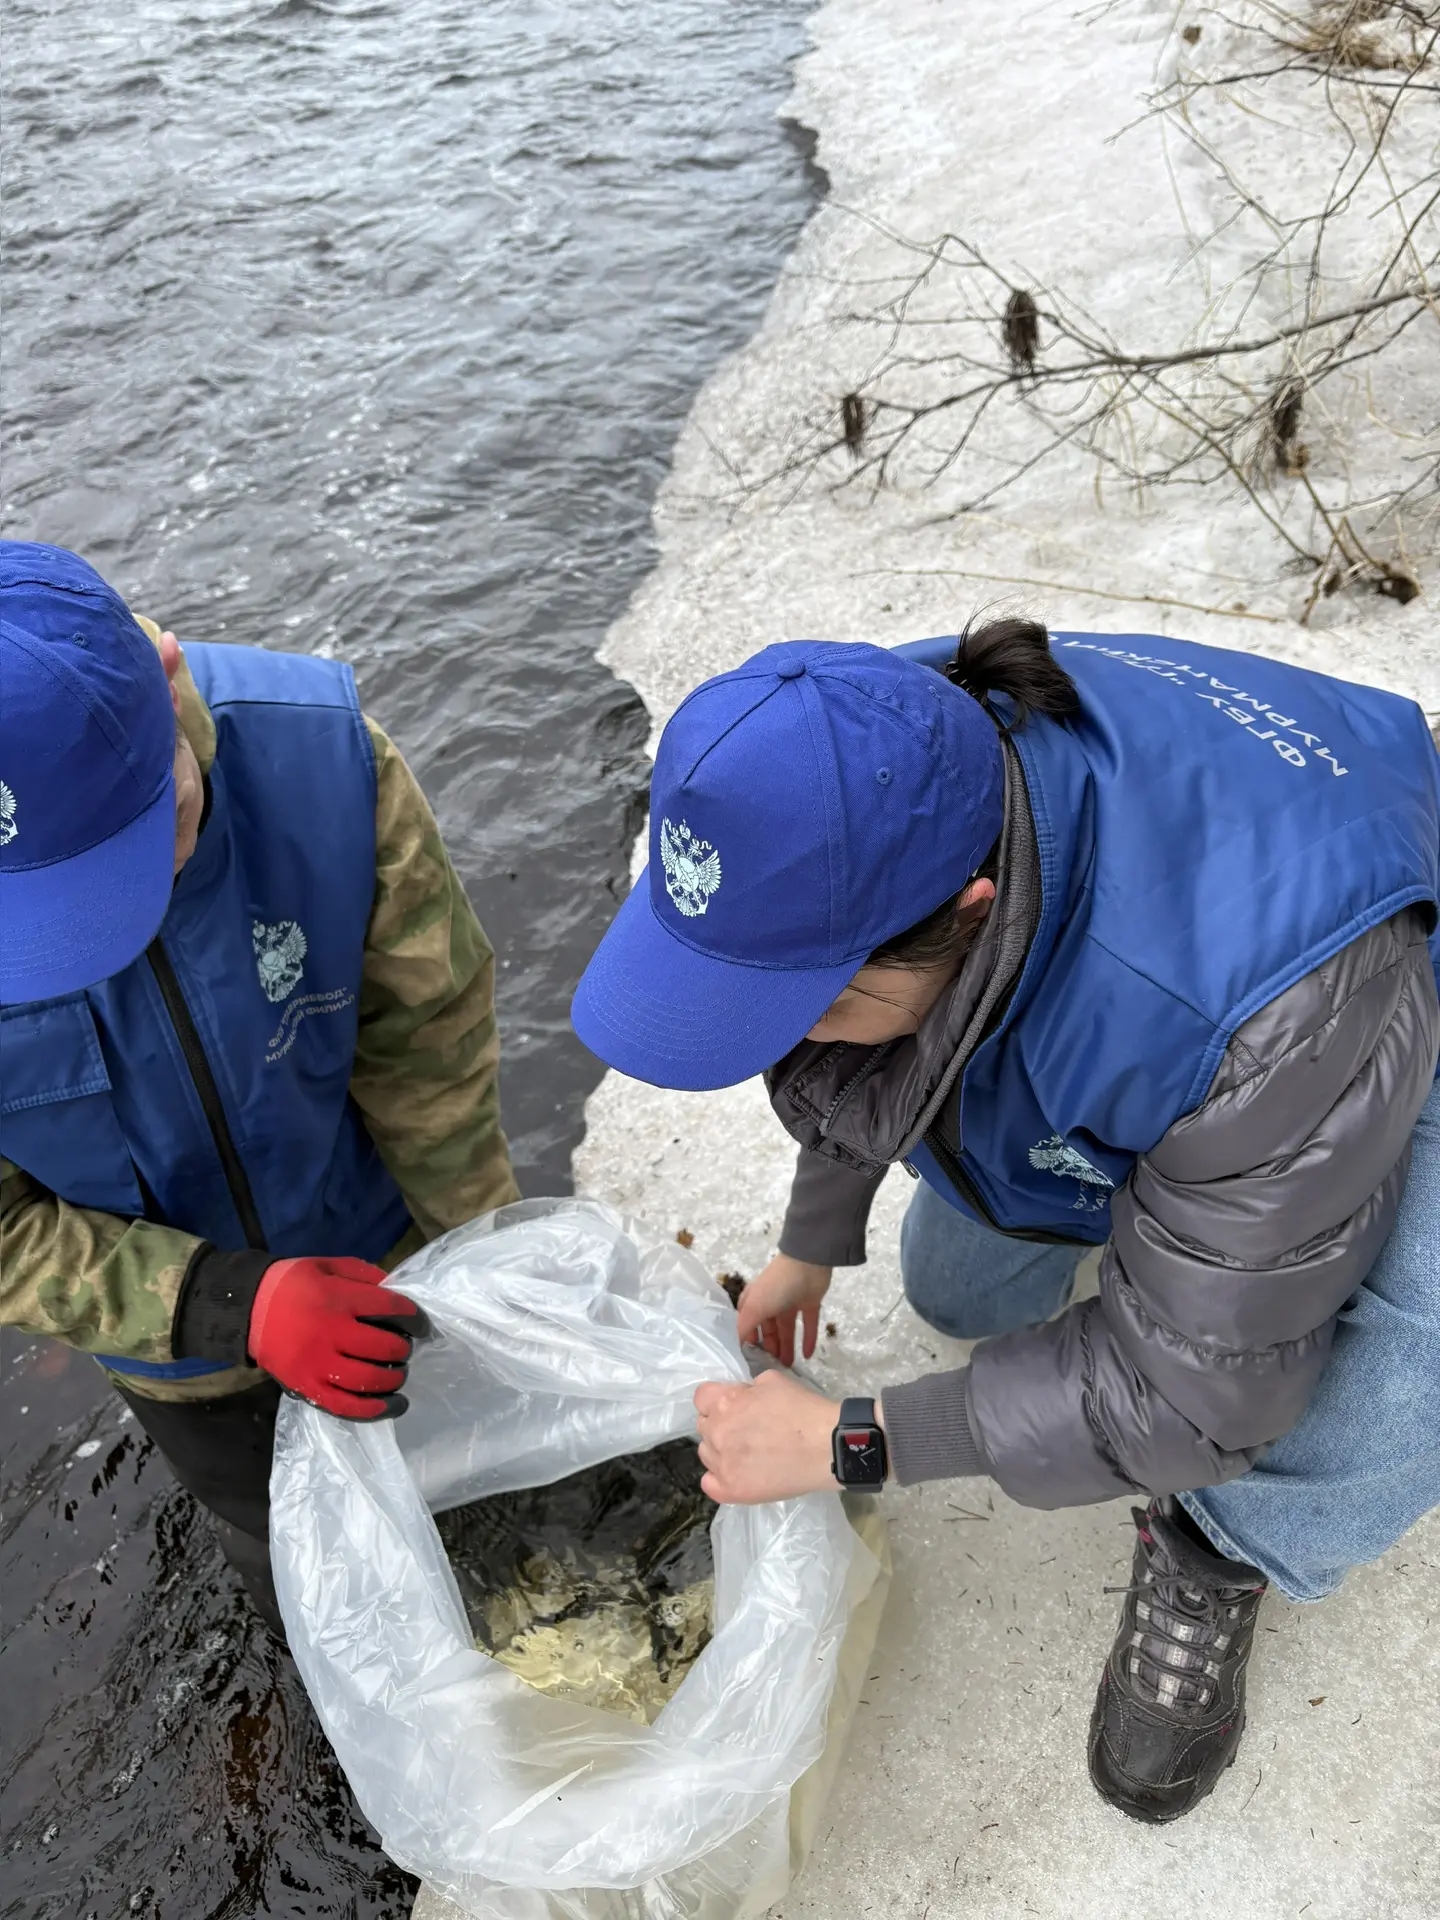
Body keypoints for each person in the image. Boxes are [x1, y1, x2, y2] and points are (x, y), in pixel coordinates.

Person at [571, 619, 1440, 1825]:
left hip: (1356, 980)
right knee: (963, 1291)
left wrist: (854, 1442)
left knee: (1407, 1331)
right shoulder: (874, 741)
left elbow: (1193, 1396)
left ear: (970, 916)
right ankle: (1186, 1206)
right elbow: (851, 1054)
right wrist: (814, 1231)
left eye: (799, 1004)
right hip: (1173, 982)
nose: (770, 1041)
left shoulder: (1261, 1016)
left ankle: (1225, 1549)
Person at [0, 542, 519, 1632]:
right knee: (286, 1550)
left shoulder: (329, 766)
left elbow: (426, 1035)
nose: (121, 926)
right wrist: (223, 1302)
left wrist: (483, 1252)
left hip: (376, 1243)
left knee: (475, 1488)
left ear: (170, 673)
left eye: (156, 837)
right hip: (176, 1347)